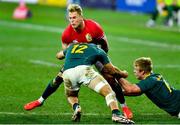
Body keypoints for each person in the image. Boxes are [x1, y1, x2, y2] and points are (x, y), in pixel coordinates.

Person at [24, 4, 133, 119]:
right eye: (70, 18)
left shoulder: (94, 27)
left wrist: (101, 57)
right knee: (58, 78)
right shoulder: (67, 34)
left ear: (81, 17)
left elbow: (105, 46)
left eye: (74, 17)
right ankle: (40, 100)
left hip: (96, 54)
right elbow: (65, 53)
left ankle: (124, 106)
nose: (72, 21)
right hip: (78, 58)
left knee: (110, 77)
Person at [56, 42, 134, 124]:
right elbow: (111, 70)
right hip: (84, 70)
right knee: (109, 92)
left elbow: (58, 55)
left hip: (67, 73)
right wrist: (123, 74)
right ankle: (116, 114)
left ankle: (76, 107)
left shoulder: (72, 47)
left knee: (71, 95)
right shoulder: (98, 50)